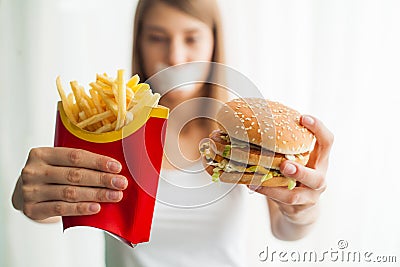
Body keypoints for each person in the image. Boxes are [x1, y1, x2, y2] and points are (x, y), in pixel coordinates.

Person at [12, 0, 334, 266]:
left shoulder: (245, 130)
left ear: (214, 42)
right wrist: (33, 194)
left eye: (191, 38)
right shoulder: (108, 127)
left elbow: (285, 229)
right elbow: (55, 212)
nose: (176, 57)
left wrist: (301, 210)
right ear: (139, 41)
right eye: (157, 37)